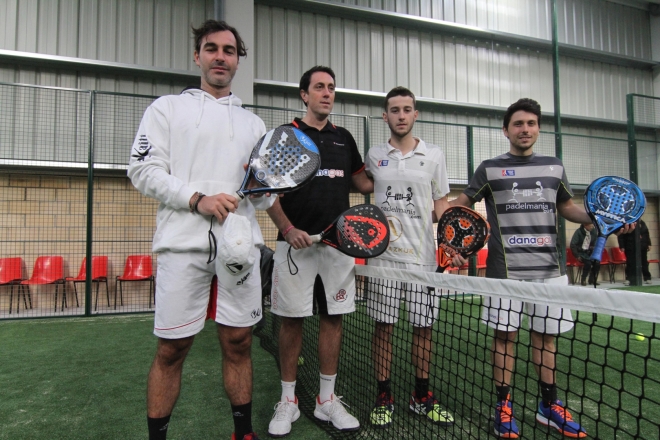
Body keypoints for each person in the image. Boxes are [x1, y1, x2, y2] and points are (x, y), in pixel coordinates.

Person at [449, 98, 632, 439]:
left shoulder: (554, 167)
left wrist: (603, 219)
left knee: (546, 338)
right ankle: (504, 407)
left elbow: (568, 208)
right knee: (504, 338)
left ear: (538, 128)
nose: (525, 129)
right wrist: (450, 240)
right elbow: (459, 207)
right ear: (506, 130)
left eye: (531, 123)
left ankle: (548, 406)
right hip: (504, 274)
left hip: (550, 271)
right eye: (518, 124)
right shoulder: (488, 169)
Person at [128, 20, 273, 440]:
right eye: (212, 49)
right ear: (198, 56)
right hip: (182, 247)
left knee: (239, 343)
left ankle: (243, 433)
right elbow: (142, 170)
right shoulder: (166, 109)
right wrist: (198, 199)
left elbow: (263, 200)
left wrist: (262, 188)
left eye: (229, 50)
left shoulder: (254, 125)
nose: (220, 57)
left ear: (238, 61)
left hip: (240, 251)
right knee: (172, 348)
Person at [265, 66, 373, 437]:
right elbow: (268, 192)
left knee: (333, 318)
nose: (327, 93)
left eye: (331, 88)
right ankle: (288, 401)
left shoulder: (344, 139)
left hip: (337, 248)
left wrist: (396, 167)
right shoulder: (287, 136)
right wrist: (288, 228)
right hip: (294, 245)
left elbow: (363, 182)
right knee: (290, 320)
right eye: (319, 87)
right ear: (304, 95)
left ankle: (326, 400)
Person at [364, 86, 454, 428]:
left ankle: (421, 396)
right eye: (394, 110)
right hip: (382, 259)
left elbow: (441, 203)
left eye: (406, 109)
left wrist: (450, 245)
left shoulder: (434, 155)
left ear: (415, 114)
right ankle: (383, 395)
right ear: (385, 116)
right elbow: (360, 184)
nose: (401, 115)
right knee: (383, 327)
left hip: (422, 259)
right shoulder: (374, 155)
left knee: (423, 328)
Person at [618, 219, 652, 285]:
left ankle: (647, 277)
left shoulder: (642, 223)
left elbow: (646, 233)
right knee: (630, 262)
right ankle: (629, 278)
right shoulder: (627, 222)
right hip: (630, 245)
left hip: (642, 246)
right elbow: (621, 235)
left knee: (644, 262)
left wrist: (649, 243)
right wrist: (622, 246)